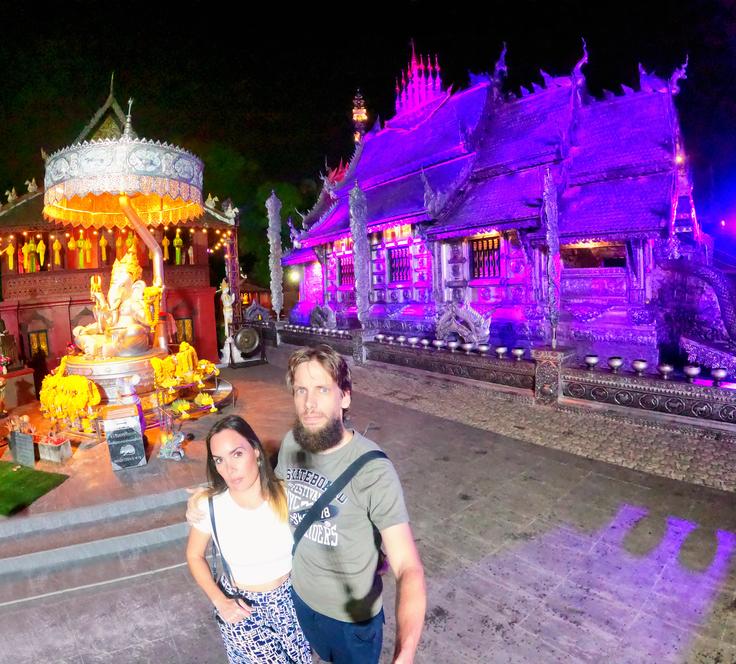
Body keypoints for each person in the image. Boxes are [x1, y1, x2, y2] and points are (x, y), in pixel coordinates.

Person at [279, 344, 425, 664]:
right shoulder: (291, 444)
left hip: (352, 622)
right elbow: (277, 493)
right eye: (301, 390)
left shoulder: (373, 470)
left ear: (344, 397)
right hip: (302, 599)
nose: (309, 403)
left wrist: (406, 653)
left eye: (322, 389)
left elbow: (408, 567)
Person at [186, 415, 312, 664]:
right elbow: (194, 555)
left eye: (237, 454)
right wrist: (220, 601)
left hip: (291, 601)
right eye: (219, 460)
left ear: (255, 451)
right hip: (242, 607)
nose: (228, 469)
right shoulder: (210, 505)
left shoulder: (287, 494)